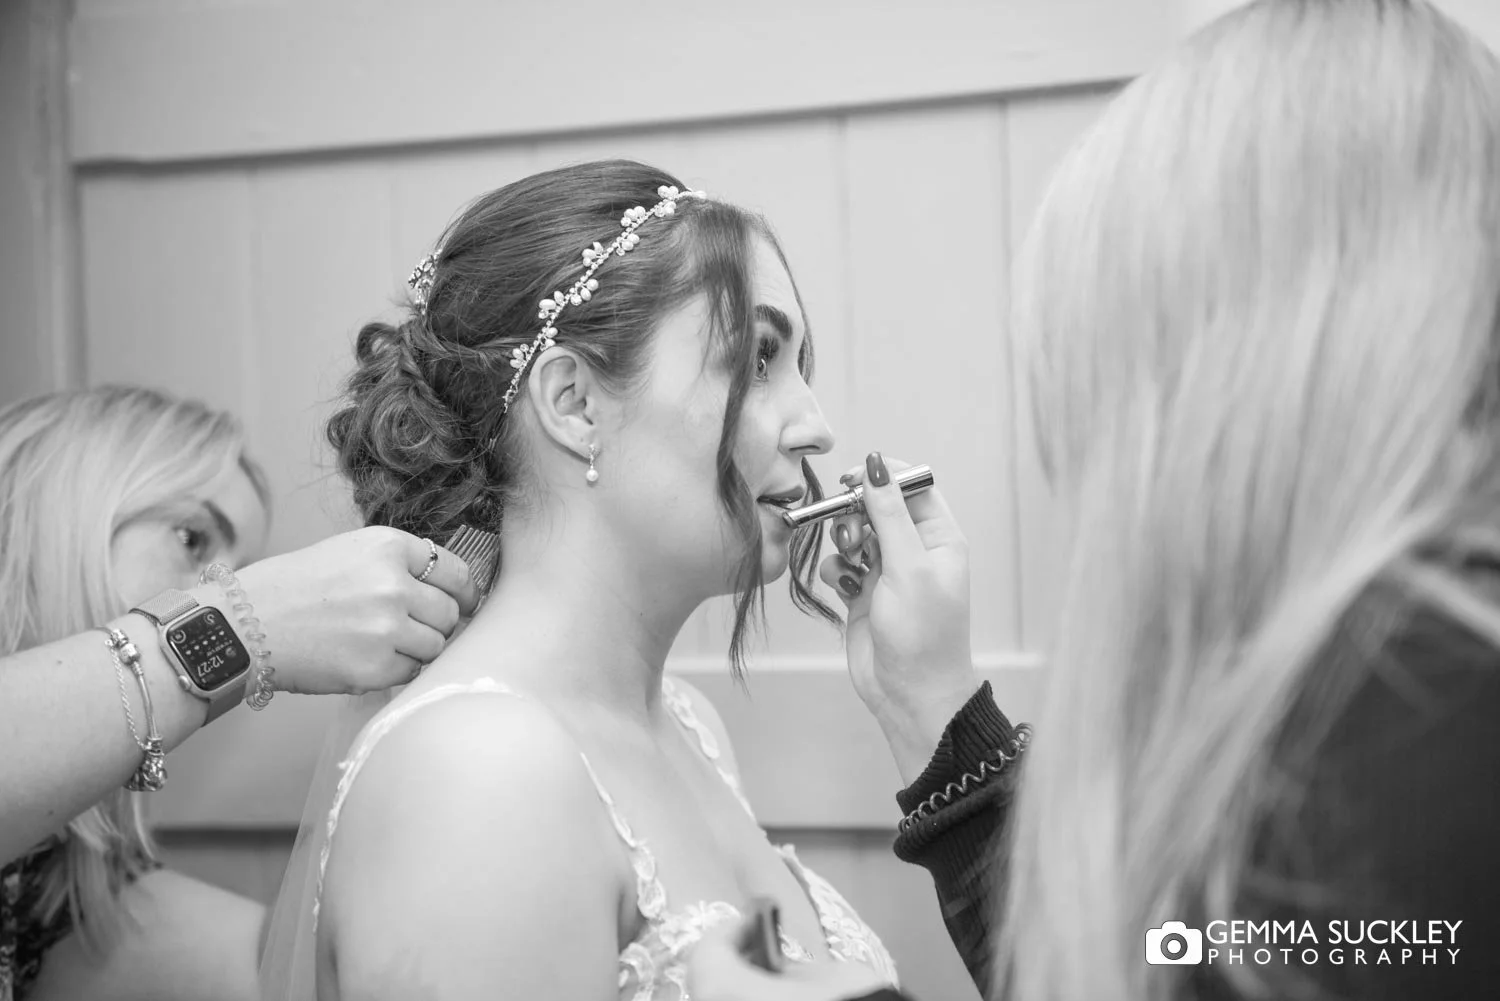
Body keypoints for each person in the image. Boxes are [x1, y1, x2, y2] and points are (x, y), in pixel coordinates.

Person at [686, 0, 1500, 999]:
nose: (1091, 444)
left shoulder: (1422, 711)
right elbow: (1168, 960)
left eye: (1113, 372)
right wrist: (931, 700)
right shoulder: (1385, 678)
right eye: (757, 359)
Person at [256, 159, 982, 1001]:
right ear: (572, 404)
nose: (815, 427)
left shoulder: (688, 724)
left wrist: (929, 698)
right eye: (756, 362)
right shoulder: (477, 775)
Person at [0, 385, 479, 1001]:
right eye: (194, 539)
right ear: (52, 515)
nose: (221, 581)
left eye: (241, 567)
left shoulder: (57, 886)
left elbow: (283, 973)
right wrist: (242, 620)